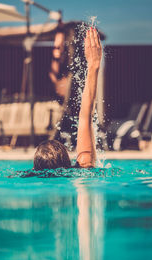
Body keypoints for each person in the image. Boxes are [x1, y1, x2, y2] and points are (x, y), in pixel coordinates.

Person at [34, 27, 102, 170]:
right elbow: (85, 117)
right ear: (68, 162)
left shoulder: (28, 178)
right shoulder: (83, 169)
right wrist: (93, 65)